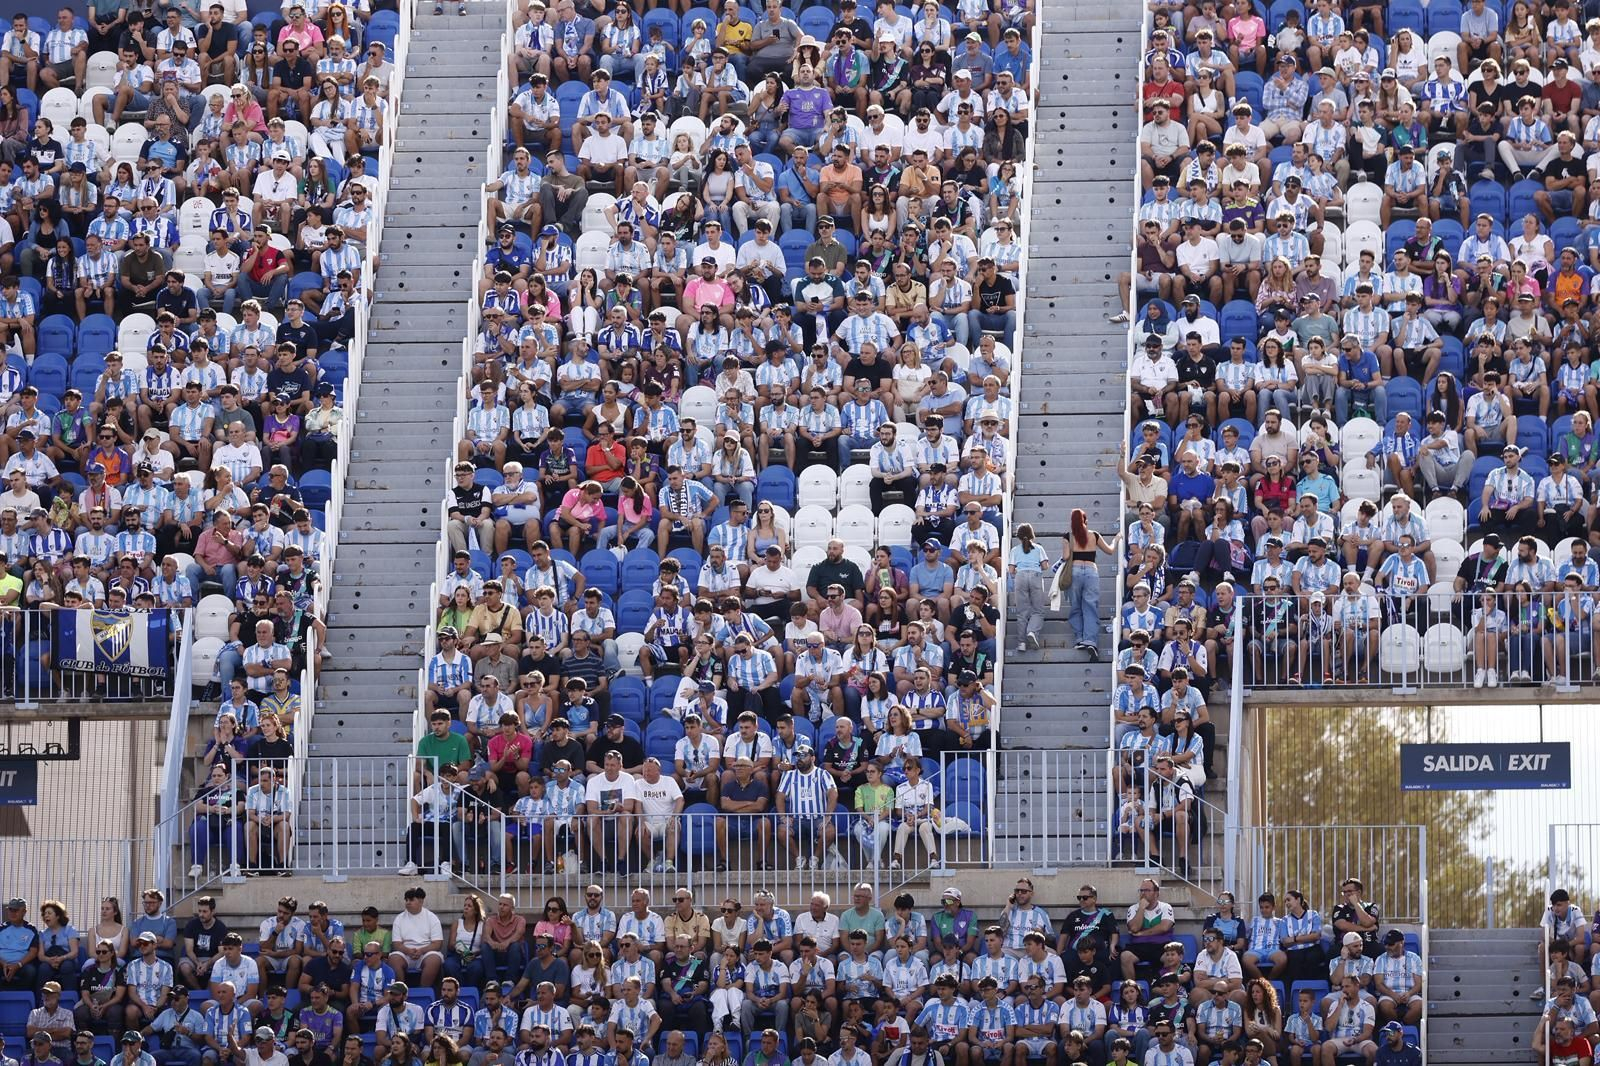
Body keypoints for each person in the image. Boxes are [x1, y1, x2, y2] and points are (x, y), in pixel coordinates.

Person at [1060, 508, 1117, 656]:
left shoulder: (1068, 536)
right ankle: (1090, 640)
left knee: (1076, 606)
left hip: (1075, 571)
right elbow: (1110, 551)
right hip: (1092, 572)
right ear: (1085, 520)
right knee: (1090, 606)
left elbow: (1066, 557)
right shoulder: (1094, 535)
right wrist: (1116, 539)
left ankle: (1079, 639)